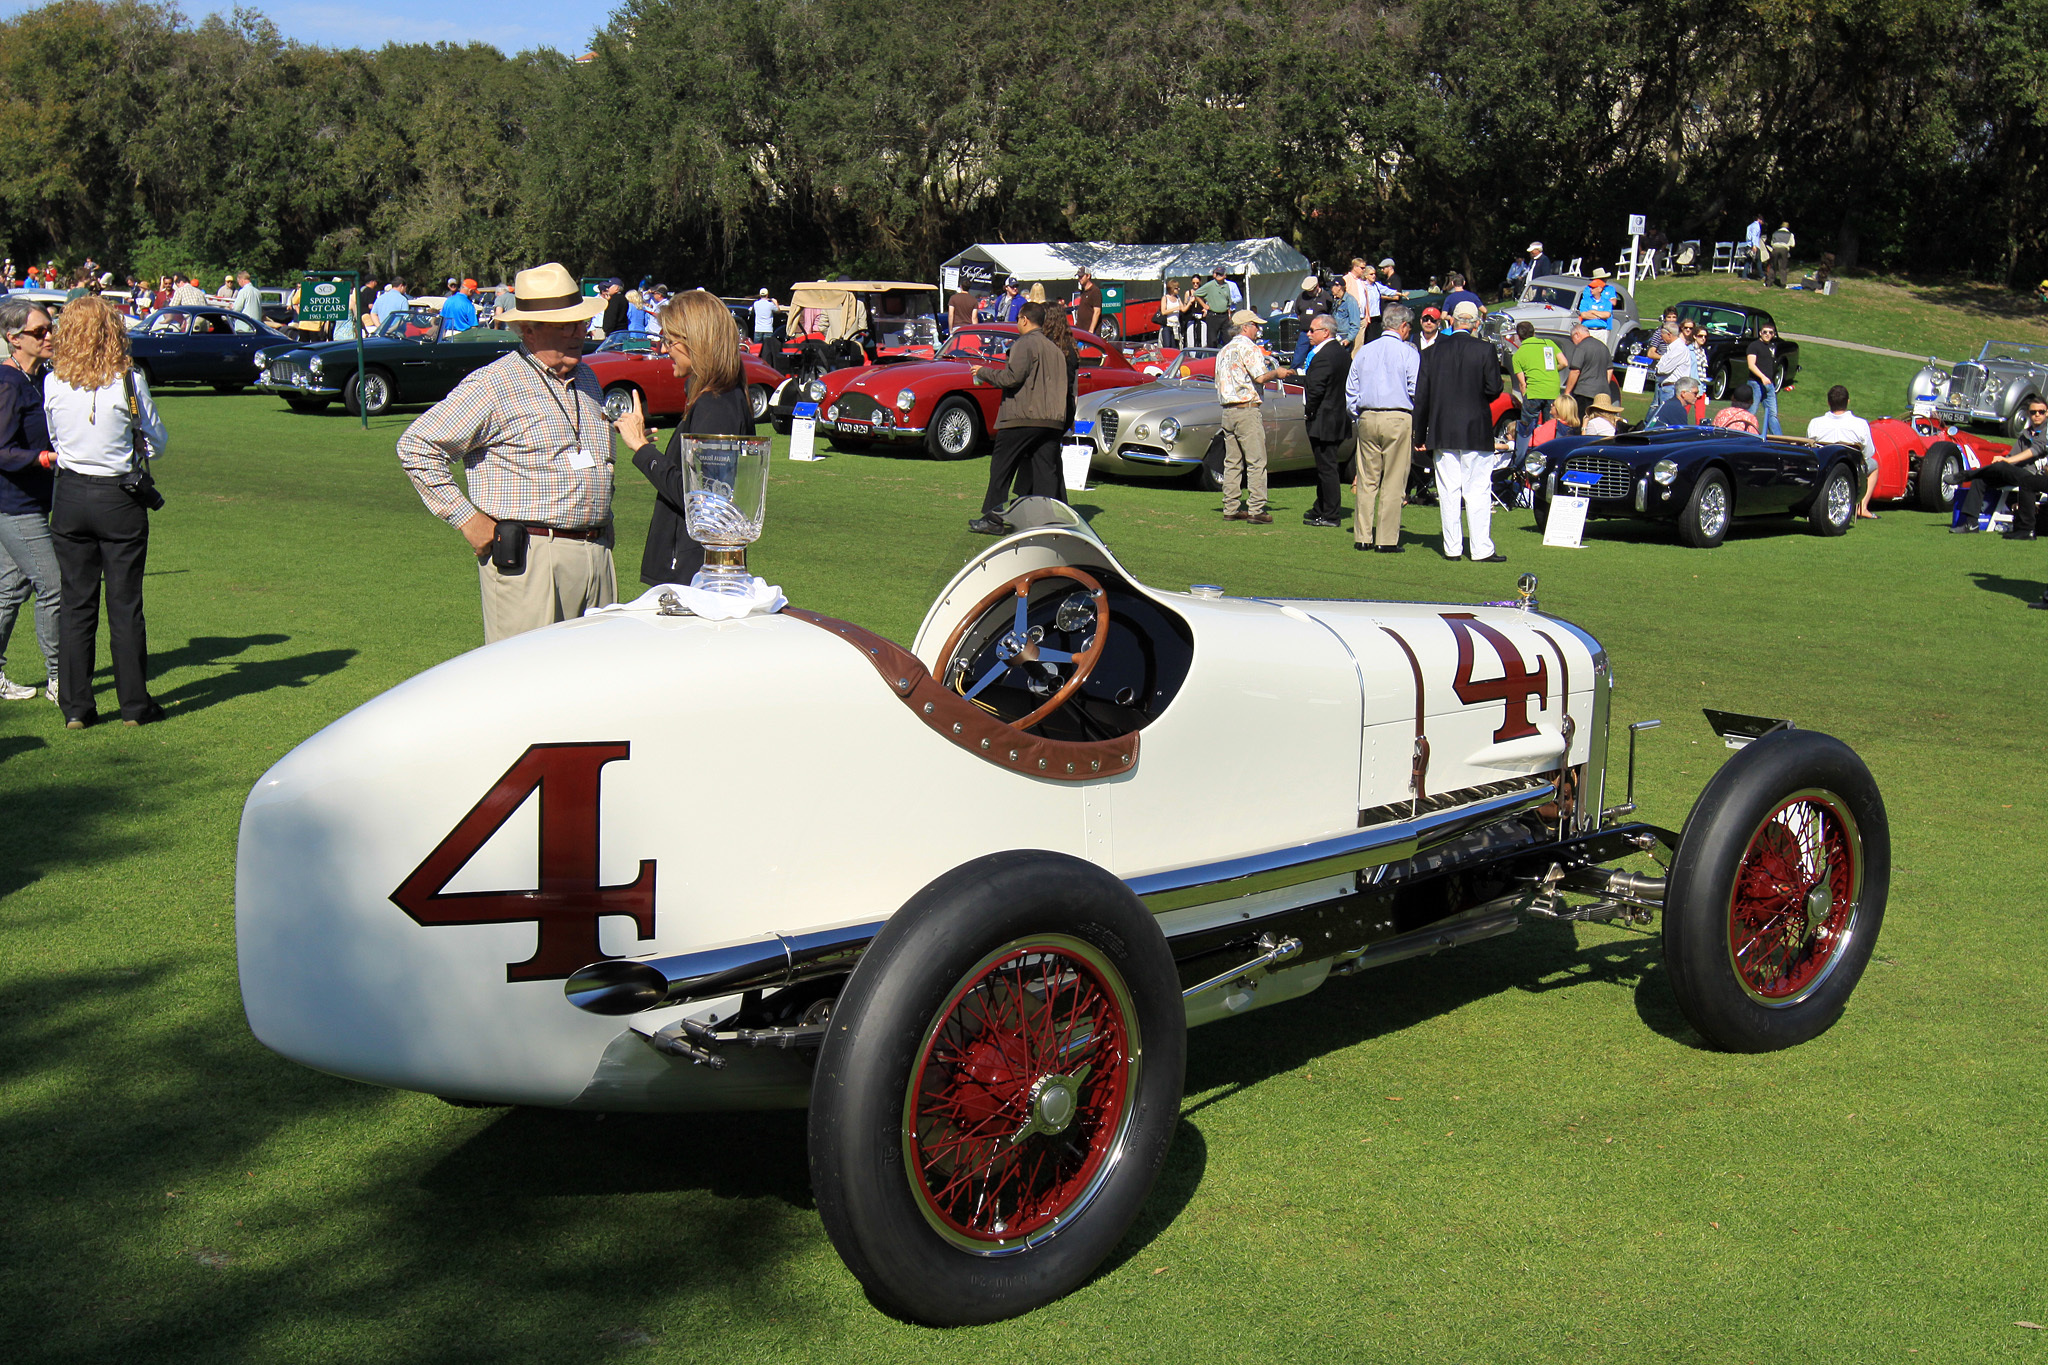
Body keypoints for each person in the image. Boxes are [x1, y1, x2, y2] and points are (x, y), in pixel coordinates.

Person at [395, 263, 616, 644]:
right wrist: (468, 520)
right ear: (528, 329)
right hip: (531, 559)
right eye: (564, 324)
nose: (578, 331)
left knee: (594, 688)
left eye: (579, 322)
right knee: (527, 687)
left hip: (597, 553)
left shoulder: (587, 378)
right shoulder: (493, 384)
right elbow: (417, 446)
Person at [44, 297, 168, 728]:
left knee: (77, 604)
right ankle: (134, 706)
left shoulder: (54, 382)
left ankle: (76, 707)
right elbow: (156, 439)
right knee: (125, 604)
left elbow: (55, 438)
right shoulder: (127, 382)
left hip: (73, 494)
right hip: (119, 497)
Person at [607, 290, 760, 586]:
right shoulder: (719, 397)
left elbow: (701, 500)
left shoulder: (717, 403)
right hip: (695, 568)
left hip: (694, 573)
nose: (664, 350)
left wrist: (641, 449)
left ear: (696, 341)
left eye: (670, 341)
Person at [1414, 301, 1506, 561]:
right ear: (1476, 323)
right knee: (1477, 490)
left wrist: (1419, 435)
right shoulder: (1485, 350)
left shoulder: (1432, 353)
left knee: (1448, 490)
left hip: (1443, 428)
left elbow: (1422, 398)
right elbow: (1494, 388)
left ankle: (1452, 547)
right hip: (1475, 427)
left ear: (1451, 321)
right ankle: (1480, 548)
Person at [0, 299, 59, 703]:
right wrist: (42, 458)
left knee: (10, 589)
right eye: (39, 332)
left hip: (36, 499)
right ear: (13, 338)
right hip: (14, 504)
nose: (49, 336)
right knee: (55, 587)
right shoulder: (8, 383)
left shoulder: (42, 377)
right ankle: (62, 679)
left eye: (49, 328)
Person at [967, 301, 1068, 534]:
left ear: (1024, 319)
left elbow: (1012, 377)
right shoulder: (1055, 350)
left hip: (1022, 417)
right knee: (1045, 473)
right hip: (1052, 420)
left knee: (1002, 468)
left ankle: (993, 519)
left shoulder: (1024, 344)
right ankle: (1047, 524)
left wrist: (983, 372)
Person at [1345, 302, 1418, 551]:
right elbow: (1414, 387)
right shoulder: (1408, 352)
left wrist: (1358, 415)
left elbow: (1351, 389)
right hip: (1397, 415)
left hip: (1367, 416)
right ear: (1404, 327)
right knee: (1394, 479)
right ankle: (1386, 539)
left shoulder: (1365, 351)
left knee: (1367, 479)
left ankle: (1363, 537)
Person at [1214, 309, 1290, 524]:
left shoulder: (1224, 351)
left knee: (1232, 462)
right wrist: (1277, 373)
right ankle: (1256, 509)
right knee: (1256, 461)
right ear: (1246, 327)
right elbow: (1260, 376)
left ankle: (1230, 506)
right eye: (1255, 325)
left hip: (1227, 410)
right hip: (1246, 408)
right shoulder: (1250, 348)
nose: (1259, 329)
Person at [1954, 396, 2048, 538]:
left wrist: (2006, 461)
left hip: (2034, 476)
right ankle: (1971, 523)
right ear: (2028, 413)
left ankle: (1967, 474)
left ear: (2047, 413)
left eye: (2041, 412)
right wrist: (2006, 461)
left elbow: (2035, 450)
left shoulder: (2046, 431)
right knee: (1982, 479)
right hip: (2017, 474)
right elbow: (2012, 457)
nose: (2037, 415)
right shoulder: (2026, 434)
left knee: (2003, 466)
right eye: (2033, 412)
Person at [1299, 314, 1352, 528]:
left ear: (1326, 332)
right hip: (1337, 416)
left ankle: (1330, 513)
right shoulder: (1341, 353)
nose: (1308, 334)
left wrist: (1309, 411)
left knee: (1327, 466)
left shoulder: (1325, 356)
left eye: (1313, 330)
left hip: (1325, 418)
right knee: (1325, 465)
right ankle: (1321, 507)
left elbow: (1316, 389)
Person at [1806, 385, 1879, 518]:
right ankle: (1862, 507)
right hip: (1852, 468)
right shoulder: (1860, 424)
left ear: (1828, 402)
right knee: (1874, 465)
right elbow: (1869, 453)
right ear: (1848, 402)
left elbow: (1809, 448)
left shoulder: (1815, 423)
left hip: (1823, 467)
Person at [1510, 319, 1565, 464]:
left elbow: (1522, 383)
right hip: (1552, 390)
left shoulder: (1518, 354)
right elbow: (1564, 363)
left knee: (1526, 429)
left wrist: (1524, 397)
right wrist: (1552, 370)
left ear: (1519, 337)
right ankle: (1552, 459)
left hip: (1534, 392)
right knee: (1552, 427)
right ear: (1534, 332)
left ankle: (1521, 461)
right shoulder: (1548, 344)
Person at [1563, 314, 1612, 406]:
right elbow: (1609, 369)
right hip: (1602, 393)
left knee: (1582, 418)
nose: (1574, 343)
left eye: (1573, 339)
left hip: (1584, 392)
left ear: (1577, 335)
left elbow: (1575, 371)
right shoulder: (1603, 346)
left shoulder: (1581, 347)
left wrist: (1567, 392)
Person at [1745, 321, 1785, 436]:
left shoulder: (1771, 347)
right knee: (1751, 411)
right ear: (1760, 333)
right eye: (1765, 332)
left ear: (1773, 334)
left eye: (1770, 332)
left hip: (1769, 385)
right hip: (1756, 383)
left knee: (1772, 414)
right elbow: (1751, 365)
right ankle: (1744, 434)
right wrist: (1762, 377)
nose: (1767, 334)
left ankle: (1778, 439)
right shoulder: (1754, 346)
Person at [1650, 323, 1689, 410]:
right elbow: (1662, 363)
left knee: (1665, 416)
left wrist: (1659, 368)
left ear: (1669, 334)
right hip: (1665, 387)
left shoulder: (1679, 349)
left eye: (1662, 334)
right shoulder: (1672, 348)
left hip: (1672, 388)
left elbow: (1664, 369)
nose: (1661, 337)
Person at [1191, 271, 1230, 348]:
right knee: (1212, 341)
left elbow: (1228, 302)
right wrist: (1204, 305)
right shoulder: (1210, 285)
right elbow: (1196, 294)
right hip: (1213, 316)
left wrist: (1229, 315)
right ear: (1214, 275)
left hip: (1224, 315)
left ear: (1225, 275)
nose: (1219, 276)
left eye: (1221, 274)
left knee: (1227, 339)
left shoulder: (1226, 285)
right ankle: (1212, 358)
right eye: (1217, 274)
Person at [1574, 269, 1620, 334]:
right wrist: (1600, 314)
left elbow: (1613, 302)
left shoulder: (1610, 288)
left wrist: (1595, 310)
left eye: (1605, 278)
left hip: (1606, 324)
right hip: (1589, 324)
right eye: (1602, 279)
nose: (1605, 280)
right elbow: (1586, 304)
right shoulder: (1588, 289)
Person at [1073, 269, 1102, 336]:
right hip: (1081, 330)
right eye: (1079, 277)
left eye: (1081, 276)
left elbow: (1097, 312)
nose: (1079, 279)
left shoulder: (1095, 291)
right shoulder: (1083, 291)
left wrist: (1091, 330)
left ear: (1088, 276)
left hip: (1090, 332)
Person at [1767, 222, 1796, 288]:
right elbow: (1793, 244)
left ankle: (1769, 282)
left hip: (1775, 249)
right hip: (1784, 250)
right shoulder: (1790, 234)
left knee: (1772, 266)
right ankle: (1783, 284)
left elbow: (1772, 243)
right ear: (1787, 227)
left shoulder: (1775, 233)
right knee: (1783, 267)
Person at [1157, 279, 1184, 348]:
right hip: (1167, 325)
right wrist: (1175, 309)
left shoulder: (1178, 298)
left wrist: (1190, 302)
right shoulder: (1165, 298)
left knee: (1175, 346)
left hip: (1176, 325)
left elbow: (1183, 308)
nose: (1179, 289)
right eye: (1177, 288)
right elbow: (1163, 312)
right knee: (1167, 345)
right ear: (1172, 289)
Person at [1744, 215, 1768, 280]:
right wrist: (1754, 245)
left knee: (1748, 260)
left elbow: (1748, 236)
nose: (1762, 223)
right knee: (1758, 261)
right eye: (1762, 221)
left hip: (1748, 244)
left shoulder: (1750, 226)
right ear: (1759, 220)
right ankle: (1761, 275)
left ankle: (1744, 275)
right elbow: (1754, 236)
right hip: (1754, 245)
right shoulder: (1756, 226)